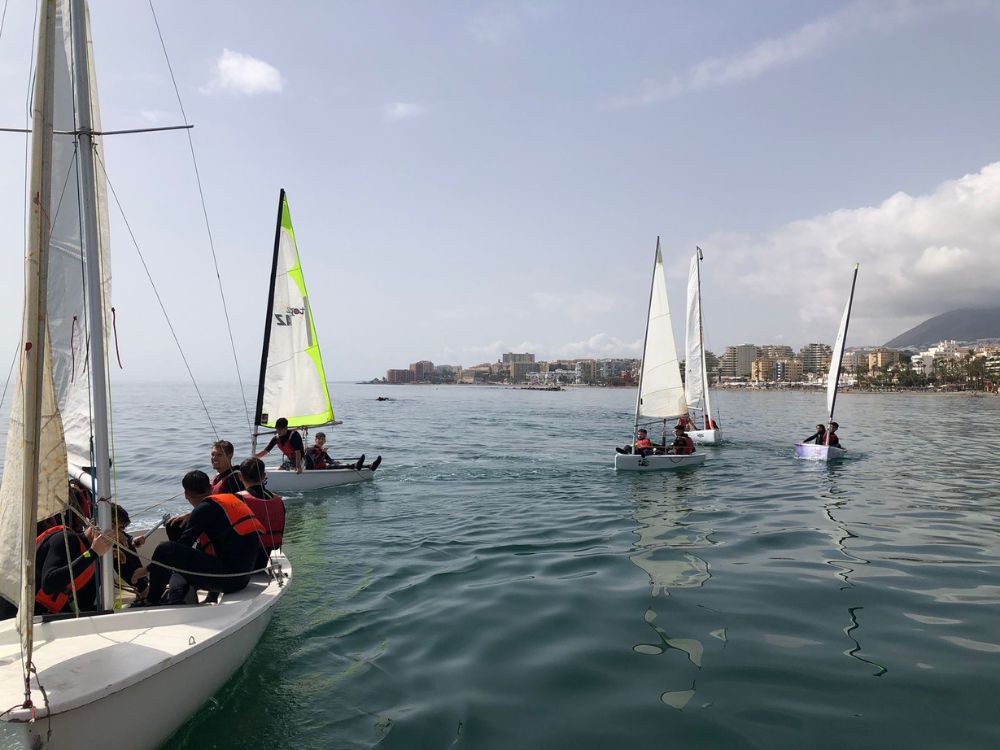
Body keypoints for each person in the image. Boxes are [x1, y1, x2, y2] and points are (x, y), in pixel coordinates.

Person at [138, 470, 264, 607]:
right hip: (244, 577)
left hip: (228, 580)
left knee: (165, 549)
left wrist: (148, 569)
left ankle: (151, 601)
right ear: (210, 487)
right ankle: (198, 597)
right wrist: (192, 515)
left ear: (186, 494)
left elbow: (181, 548)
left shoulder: (204, 510)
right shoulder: (233, 499)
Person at [35, 502, 146, 615]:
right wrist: (92, 553)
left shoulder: (89, 552)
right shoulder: (65, 539)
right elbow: (48, 584)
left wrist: (97, 553)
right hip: (35, 613)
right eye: (112, 526)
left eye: (120, 529)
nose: (115, 533)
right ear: (93, 522)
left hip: (61, 610)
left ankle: (143, 590)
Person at [237, 458, 286, 569]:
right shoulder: (278, 500)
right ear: (264, 476)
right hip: (263, 560)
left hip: (241, 563)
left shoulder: (237, 499)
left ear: (240, 476)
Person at [305, 432, 382, 472]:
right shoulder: (311, 450)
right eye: (319, 439)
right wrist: (322, 453)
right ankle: (357, 465)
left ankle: (369, 466)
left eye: (322, 439)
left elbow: (329, 460)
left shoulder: (322, 450)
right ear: (315, 440)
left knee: (341, 464)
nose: (321, 441)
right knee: (340, 466)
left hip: (323, 468)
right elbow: (315, 461)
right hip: (315, 471)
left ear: (325, 441)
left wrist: (335, 462)